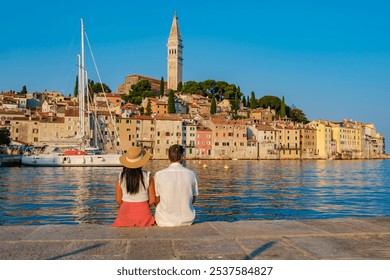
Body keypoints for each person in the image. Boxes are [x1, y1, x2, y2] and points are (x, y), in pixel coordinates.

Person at [154, 144, 199, 227]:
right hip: (187, 220)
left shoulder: (159, 174)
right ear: (182, 156)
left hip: (163, 220)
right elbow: (193, 199)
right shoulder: (191, 174)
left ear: (169, 157)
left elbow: (157, 200)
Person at [112, 147, 156, 227]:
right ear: (141, 162)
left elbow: (118, 200)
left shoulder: (120, 177)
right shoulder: (148, 176)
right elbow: (152, 200)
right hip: (143, 215)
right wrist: (143, 206)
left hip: (125, 215)